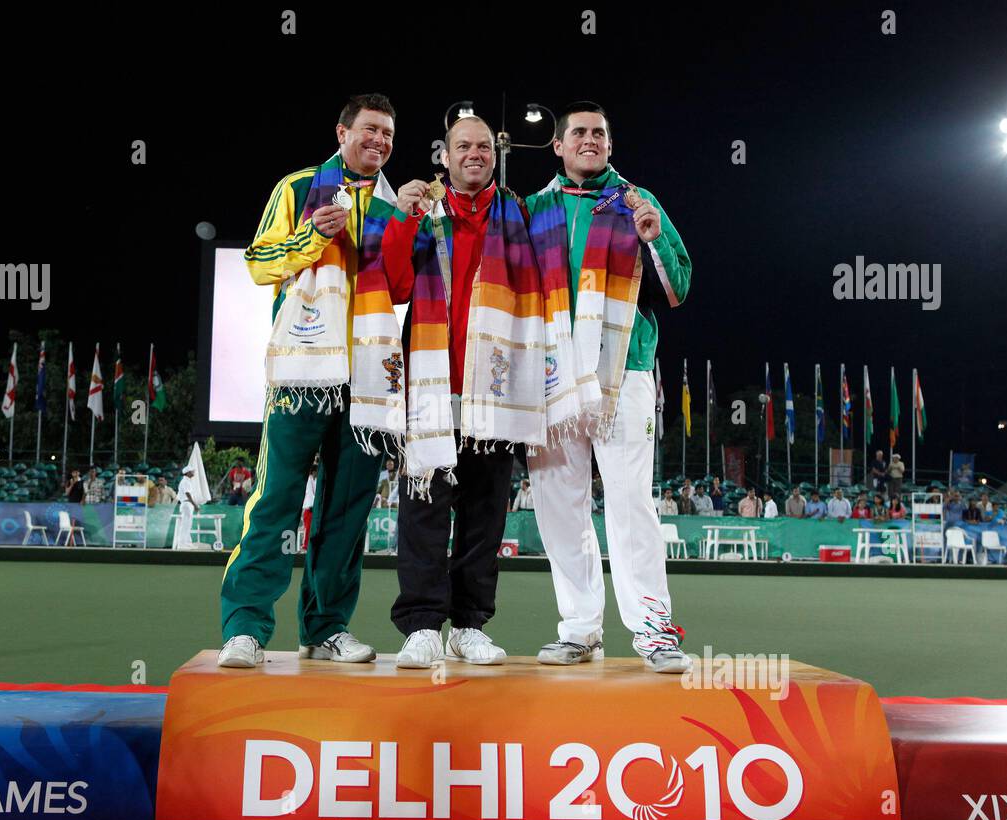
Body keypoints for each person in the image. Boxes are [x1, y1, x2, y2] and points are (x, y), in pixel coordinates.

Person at [218, 93, 401, 669]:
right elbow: (258, 263)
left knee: (347, 513)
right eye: (370, 129)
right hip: (302, 374)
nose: (380, 141)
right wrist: (311, 237)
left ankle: (326, 629)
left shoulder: (396, 203)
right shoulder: (297, 187)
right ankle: (246, 628)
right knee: (275, 502)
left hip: (368, 377)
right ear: (342, 131)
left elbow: (408, 284)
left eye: (389, 134)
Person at [379, 115, 557, 668]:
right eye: (464, 146)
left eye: (483, 146)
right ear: (447, 155)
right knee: (424, 511)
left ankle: (470, 624)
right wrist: (402, 221)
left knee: (485, 515)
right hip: (433, 384)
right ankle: (422, 625)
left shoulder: (519, 212)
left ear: (493, 154)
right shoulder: (422, 208)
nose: (475, 153)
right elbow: (392, 282)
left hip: (498, 389)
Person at [524, 101, 693, 673]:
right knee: (558, 506)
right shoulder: (534, 209)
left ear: (610, 145)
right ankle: (578, 629)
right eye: (579, 133)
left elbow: (680, 287)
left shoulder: (638, 202)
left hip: (626, 372)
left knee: (630, 503)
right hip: (551, 376)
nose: (589, 140)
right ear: (559, 145)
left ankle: (654, 630)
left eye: (599, 133)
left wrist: (654, 239)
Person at [174, 453, 209, 550]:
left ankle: (187, 543)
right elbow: (188, 494)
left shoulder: (187, 481)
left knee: (187, 524)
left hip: (187, 504)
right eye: (192, 471)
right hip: (187, 504)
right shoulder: (185, 481)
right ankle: (182, 544)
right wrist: (195, 505)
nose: (193, 472)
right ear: (188, 472)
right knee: (185, 525)